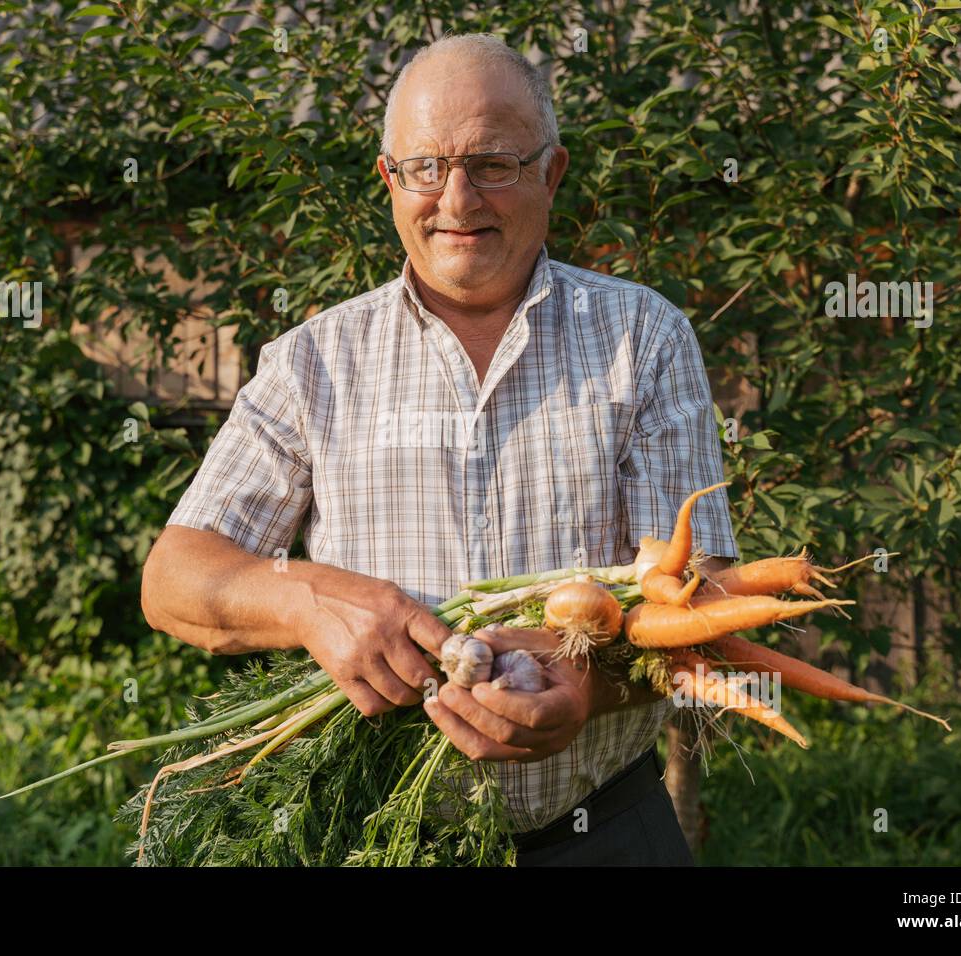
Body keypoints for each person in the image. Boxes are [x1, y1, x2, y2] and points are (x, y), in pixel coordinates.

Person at [141, 33, 738, 866]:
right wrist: (304, 601)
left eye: (493, 162)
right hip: (374, 841)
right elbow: (174, 579)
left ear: (550, 174)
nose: (456, 198)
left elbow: (704, 605)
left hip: (602, 832)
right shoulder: (316, 362)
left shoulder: (642, 338)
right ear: (390, 181)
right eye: (424, 167)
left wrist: (591, 687)